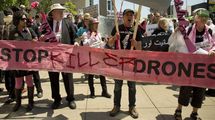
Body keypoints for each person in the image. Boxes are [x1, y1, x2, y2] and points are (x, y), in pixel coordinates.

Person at [168, 9, 215, 120]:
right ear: (196, 18)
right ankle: (178, 110)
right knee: (185, 89)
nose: (203, 20)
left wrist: (213, 50)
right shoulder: (188, 30)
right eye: (200, 17)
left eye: (205, 18)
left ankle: (194, 113)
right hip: (189, 66)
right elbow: (177, 45)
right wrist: (176, 32)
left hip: (203, 67)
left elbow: (214, 44)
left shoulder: (210, 31)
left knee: (200, 91)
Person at [107, 9, 142, 119]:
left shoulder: (137, 30)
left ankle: (132, 107)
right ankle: (116, 106)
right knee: (117, 86)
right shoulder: (118, 28)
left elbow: (140, 49)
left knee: (132, 87)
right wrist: (114, 38)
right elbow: (109, 44)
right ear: (123, 17)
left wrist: (136, 44)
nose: (130, 16)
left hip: (131, 63)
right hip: (118, 63)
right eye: (127, 14)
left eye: (131, 15)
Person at [47, 3, 77, 109]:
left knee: (68, 77)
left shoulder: (68, 23)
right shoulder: (47, 24)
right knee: (54, 78)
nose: (61, 13)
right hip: (52, 57)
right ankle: (56, 99)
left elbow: (74, 36)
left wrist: (76, 43)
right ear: (53, 13)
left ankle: (70, 99)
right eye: (58, 11)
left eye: (61, 11)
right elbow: (42, 38)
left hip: (66, 56)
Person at [9, 10, 38, 111]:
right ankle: (18, 103)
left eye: (26, 19)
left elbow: (36, 39)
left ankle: (31, 102)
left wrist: (35, 40)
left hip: (29, 62)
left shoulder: (29, 30)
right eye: (23, 19)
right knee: (18, 83)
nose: (25, 21)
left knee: (30, 82)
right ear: (17, 20)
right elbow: (8, 48)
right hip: (17, 63)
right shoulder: (13, 33)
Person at [82, 18, 111, 99]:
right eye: (95, 24)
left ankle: (104, 92)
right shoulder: (86, 33)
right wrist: (91, 36)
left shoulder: (99, 34)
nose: (97, 25)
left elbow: (100, 45)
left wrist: (105, 42)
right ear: (91, 25)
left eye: (97, 24)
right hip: (91, 57)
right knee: (91, 76)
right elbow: (85, 45)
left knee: (102, 74)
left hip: (99, 56)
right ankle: (92, 93)